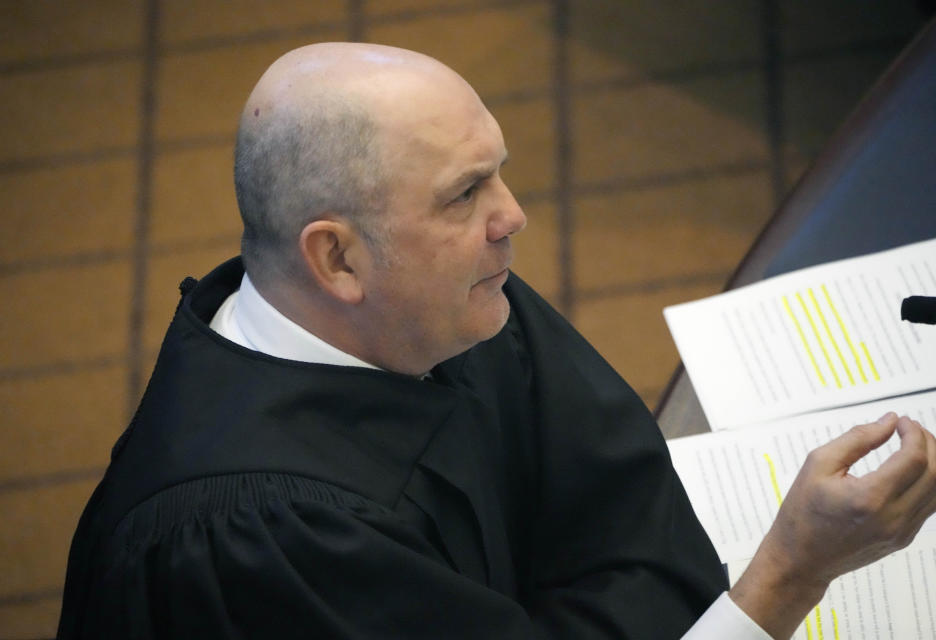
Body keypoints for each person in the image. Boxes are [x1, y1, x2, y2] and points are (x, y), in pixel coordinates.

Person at [57, 43, 936, 639]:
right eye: (464, 193)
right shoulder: (261, 546)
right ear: (337, 257)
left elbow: (631, 512)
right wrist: (788, 574)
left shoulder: (432, 301)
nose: (513, 216)